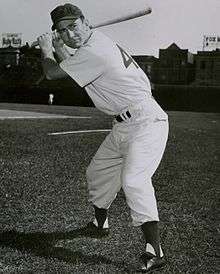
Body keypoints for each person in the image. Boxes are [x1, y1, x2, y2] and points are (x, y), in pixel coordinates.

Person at [37, 3, 169, 272]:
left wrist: (46, 48)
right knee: (97, 173)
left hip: (146, 122)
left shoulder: (96, 50)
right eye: (62, 31)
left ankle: (155, 250)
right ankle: (100, 224)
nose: (69, 34)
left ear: (85, 22)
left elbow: (52, 72)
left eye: (73, 26)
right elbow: (70, 61)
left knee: (134, 180)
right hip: (123, 124)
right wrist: (59, 45)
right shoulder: (93, 44)